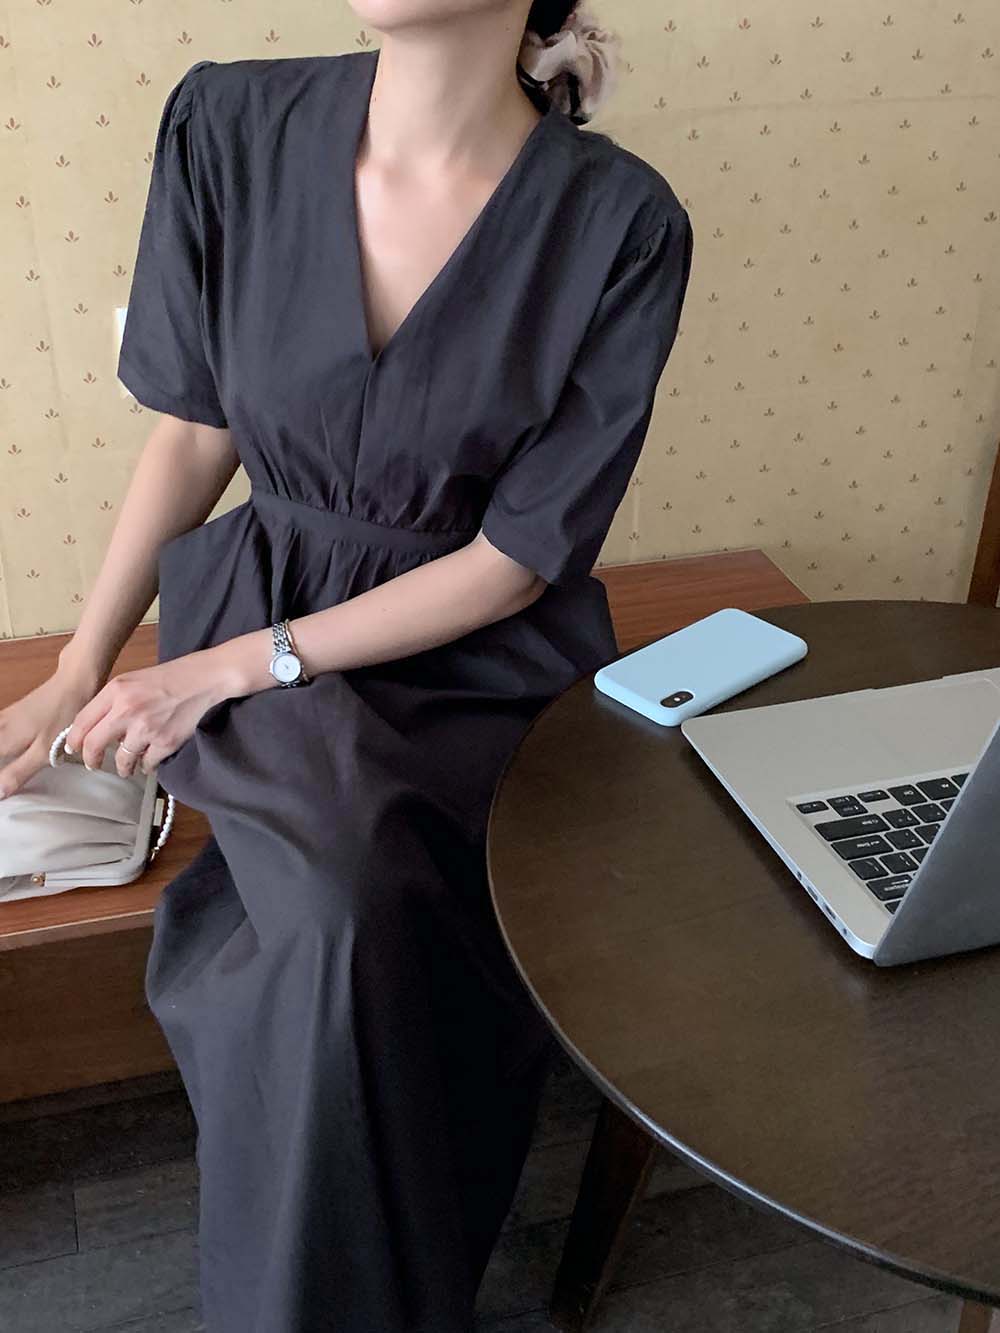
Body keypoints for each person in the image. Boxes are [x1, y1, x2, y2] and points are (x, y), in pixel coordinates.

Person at [0, 1, 694, 1328]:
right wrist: (83, 664)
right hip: (262, 599)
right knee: (338, 918)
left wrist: (226, 672)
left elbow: (515, 559)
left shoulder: (623, 223)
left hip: (473, 654)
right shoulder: (228, 126)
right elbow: (193, 434)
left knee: (365, 917)